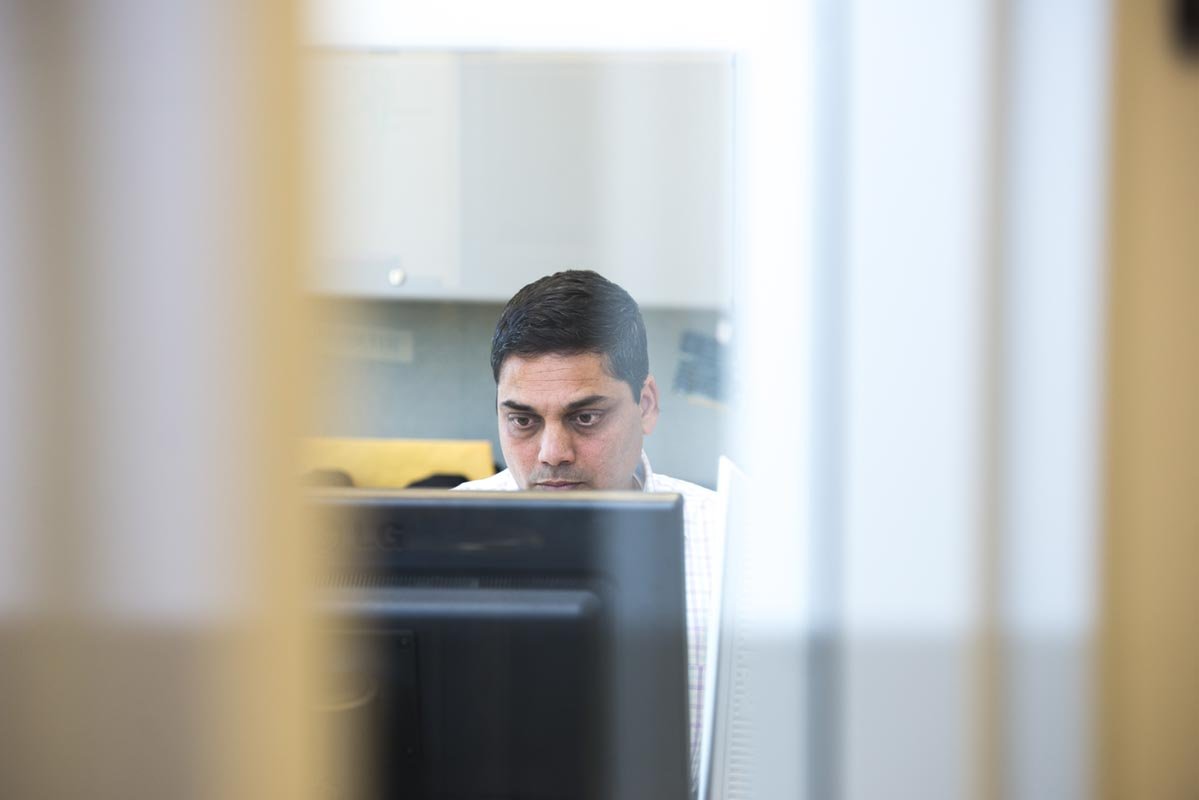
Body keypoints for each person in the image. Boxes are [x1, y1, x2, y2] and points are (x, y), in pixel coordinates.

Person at [454, 269, 717, 778]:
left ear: (646, 405)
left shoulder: (735, 543)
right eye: (523, 420)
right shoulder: (445, 535)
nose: (552, 454)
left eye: (586, 417)